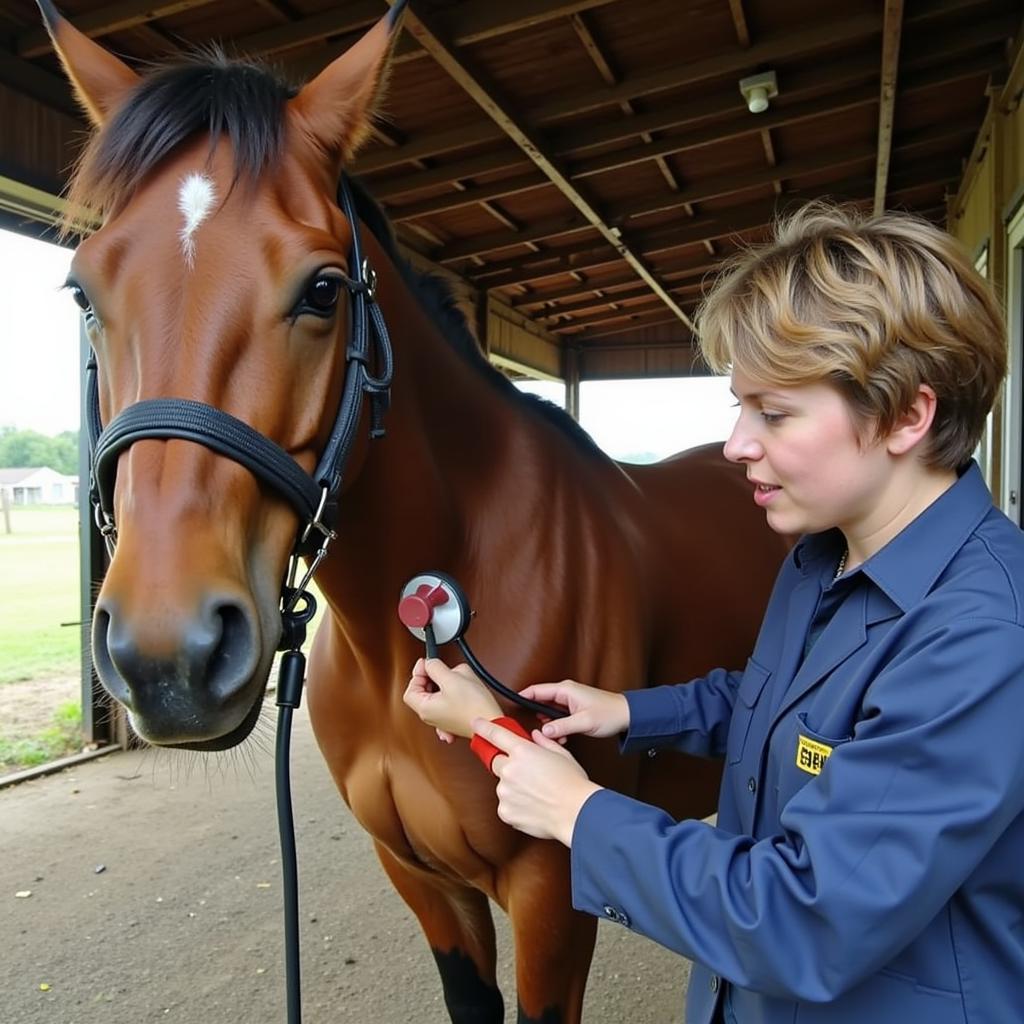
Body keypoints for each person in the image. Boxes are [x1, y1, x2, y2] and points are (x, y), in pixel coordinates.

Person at [403, 201, 1024, 1023]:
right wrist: (628, 710)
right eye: (740, 407)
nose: (735, 445)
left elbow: (803, 918)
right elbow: (785, 707)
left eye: (774, 413)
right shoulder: (822, 557)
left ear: (909, 415)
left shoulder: (983, 634)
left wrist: (577, 812)